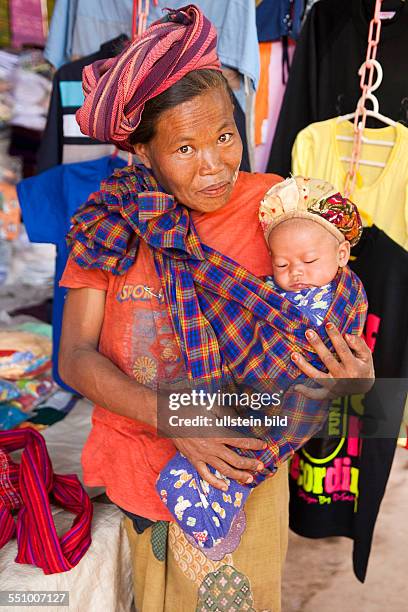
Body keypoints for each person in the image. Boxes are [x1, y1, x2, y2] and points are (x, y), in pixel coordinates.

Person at [59, 6, 374, 611]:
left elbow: (324, 321)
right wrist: (177, 416)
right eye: (184, 147)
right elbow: (74, 358)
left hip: (243, 462)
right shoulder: (108, 225)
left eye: (225, 135)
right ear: (143, 152)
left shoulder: (276, 209)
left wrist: (353, 378)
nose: (214, 165)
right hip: (138, 461)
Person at [156, 175, 367, 549]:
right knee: (224, 432)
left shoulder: (347, 297)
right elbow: (241, 309)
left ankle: (223, 493)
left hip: (294, 401)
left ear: (341, 256)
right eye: (281, 264)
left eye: (309, 260)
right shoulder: (267, 294)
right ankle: (211, 491)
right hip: (248, 390)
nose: (295, 272)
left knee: (243, 453)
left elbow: (347, 357)